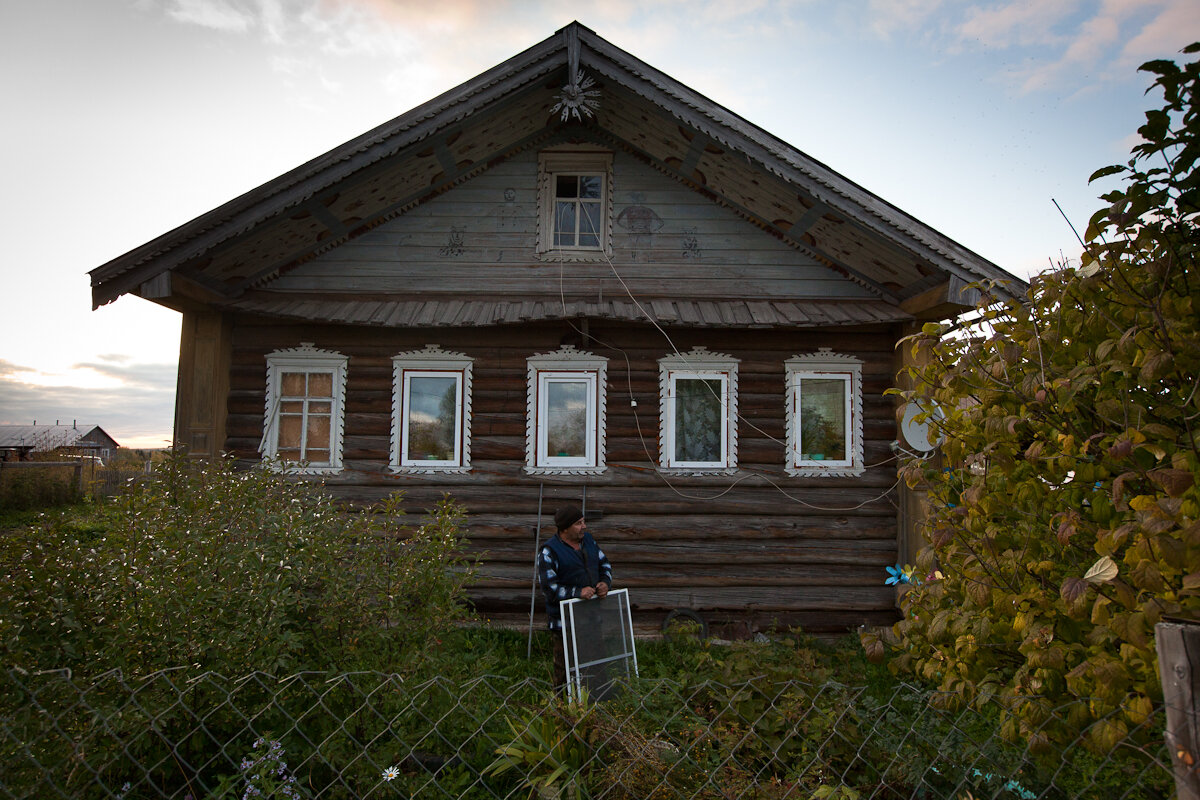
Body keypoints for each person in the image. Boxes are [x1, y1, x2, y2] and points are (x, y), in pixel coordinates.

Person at [538, 504, 612, 688]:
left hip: (591, 618)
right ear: (565, 528)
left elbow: (605, 564)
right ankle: (563, 709)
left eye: (583, 522)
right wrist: (577, 593)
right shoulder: (549, 551)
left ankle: (598, 703)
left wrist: (605, 583)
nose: (584, 527)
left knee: (596, 664)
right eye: (579, 523)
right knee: (565, 670)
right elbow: (550, 588)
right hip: (565, 623)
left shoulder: (589, 541)